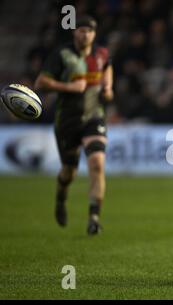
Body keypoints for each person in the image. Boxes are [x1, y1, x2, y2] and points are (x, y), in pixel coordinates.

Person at [34, 15, 114, 235]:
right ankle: (61, 198)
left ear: (94, 34)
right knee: (69, 172)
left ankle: (94, 217)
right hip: (67, 120)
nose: (85, 34)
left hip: (93, 117)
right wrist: (69, 87)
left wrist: (108, 87)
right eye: (81, 30)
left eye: (89, 30)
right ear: (74, 32)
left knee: (97, 163)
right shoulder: (62, 54)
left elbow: (108, 67)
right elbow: (40, 82)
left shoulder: (101, 54)